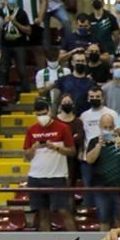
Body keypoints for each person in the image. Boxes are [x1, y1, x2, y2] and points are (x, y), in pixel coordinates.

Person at [24, 99, 75, 231]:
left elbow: (72, 151)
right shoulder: (31, 130)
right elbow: (27, 155)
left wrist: (55, 147)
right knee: (43, 214)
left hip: (57, 176)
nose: (42, 117)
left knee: (64, 211)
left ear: (50, 111)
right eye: (39, 114)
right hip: (36, 177)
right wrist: (34, 147)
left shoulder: (63, 128)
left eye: (44, 113)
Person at [84, 113, 120, 230]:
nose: (108, 130)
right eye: (105, 127)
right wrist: (99, 145)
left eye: (110, 127)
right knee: (103, 219)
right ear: (100, 127)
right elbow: (90, 160)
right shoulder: (93, 141)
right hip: (101, 187)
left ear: (114, 127)